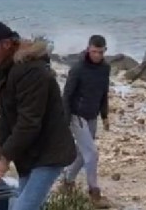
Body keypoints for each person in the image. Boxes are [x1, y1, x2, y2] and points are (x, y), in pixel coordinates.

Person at [0, 21, 76, 210]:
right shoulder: (3, 72)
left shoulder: (31, 71)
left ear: (6, 44)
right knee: (23, 204)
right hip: (28, 152)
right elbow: (6, 115)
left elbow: (29, 122)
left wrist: (6, 158)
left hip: (50, 151)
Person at [61, 35, 112, 208]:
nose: (97, 55)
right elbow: (67, 95)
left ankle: (67, 180)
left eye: (100, 52)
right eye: (94, 51)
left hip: (93, 115)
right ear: (88, 49)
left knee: (84, 154)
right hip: (77, 115)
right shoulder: (78, 68)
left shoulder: (105, 68)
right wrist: (66, 120)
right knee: (92, 154)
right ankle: (94, 192)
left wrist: (104, 116)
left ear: (105, 51)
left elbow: (104, 93)